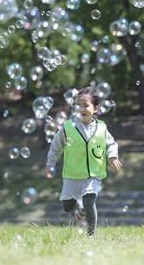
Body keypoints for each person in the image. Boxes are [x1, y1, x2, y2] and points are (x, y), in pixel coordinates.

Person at [44, 86, 122, 237]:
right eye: (78, 106)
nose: (82, 109)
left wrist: (112, 156)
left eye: (86, 105)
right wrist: (50, 163)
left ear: (96, 109)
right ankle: (78, 208)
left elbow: (111, 144)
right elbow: (55, 147)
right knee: (67, 207)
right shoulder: (67, 127)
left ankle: (90, 235)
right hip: (71, 174)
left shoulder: (101, 128)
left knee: (89, 202)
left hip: (93, 174)